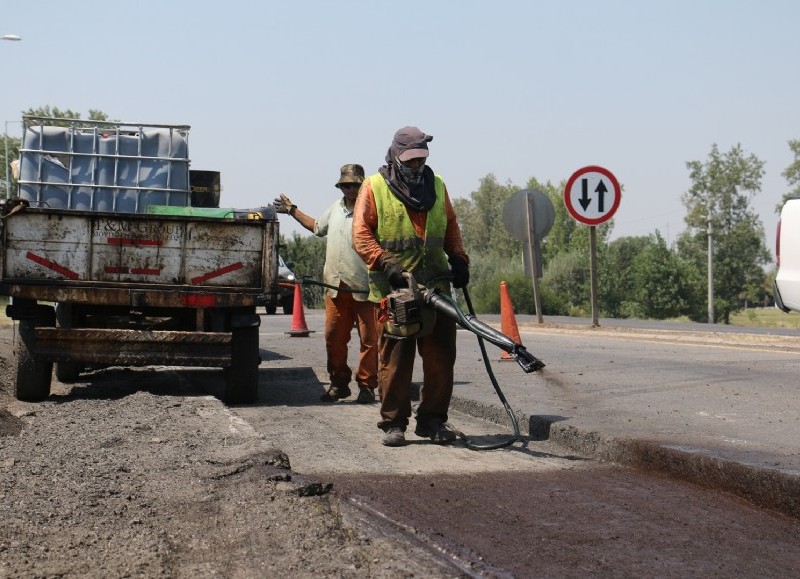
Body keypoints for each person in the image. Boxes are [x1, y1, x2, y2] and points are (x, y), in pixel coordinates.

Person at [352, 126, 470, 447]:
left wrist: (458, 259)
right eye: (411, 161)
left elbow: (450, 226)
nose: (417, 167)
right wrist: (384, 261)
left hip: (437, 288)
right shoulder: (374, 186)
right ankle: (394, 422)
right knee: (396, 361)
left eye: (422, 160)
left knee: (441, 359)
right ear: (395, 155)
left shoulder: (438, 184)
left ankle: (432, 421)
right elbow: (361, 233)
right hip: (396, 290)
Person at [273, 164, 378, 404]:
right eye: (345, 185)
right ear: (340, 186)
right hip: (335, 287)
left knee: (370, 341)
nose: (350, 189)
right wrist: (292, 210)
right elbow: (317, 227)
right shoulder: (335, 209)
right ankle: (339, 384)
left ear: (362, 185)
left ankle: (367, 385)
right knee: (334, 338)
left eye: (354, 184)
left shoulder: (372, 210)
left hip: (365, 287)